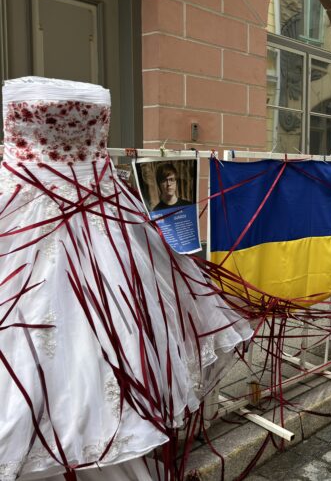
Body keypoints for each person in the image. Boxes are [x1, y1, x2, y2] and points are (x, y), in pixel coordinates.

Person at [0, 77, 253, 479]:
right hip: (41, 208)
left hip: (100, 207)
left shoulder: (90, 97)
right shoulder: (23, 93)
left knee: (110, 342)